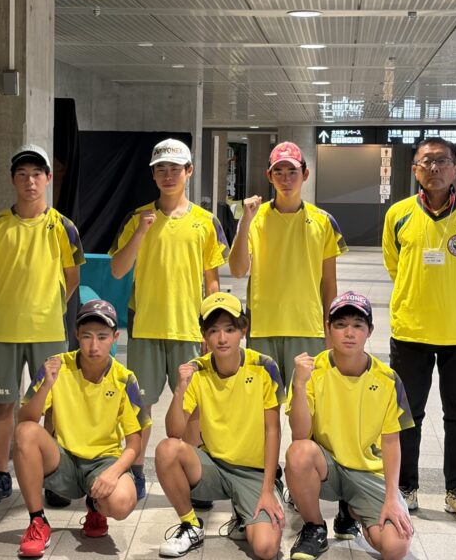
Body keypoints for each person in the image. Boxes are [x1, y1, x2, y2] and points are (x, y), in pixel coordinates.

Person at [227, 141, 355, 537]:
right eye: (278, 171)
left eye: (292, 171)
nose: (285, 178)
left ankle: (311, 485)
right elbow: (238, 269)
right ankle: (262, 485)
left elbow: (329, 282)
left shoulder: (323, 221)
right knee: (260, 415)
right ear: (269, 176)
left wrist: (332, 331)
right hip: (264, 329)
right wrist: (245, 221)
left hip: (308, 330)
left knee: (308, 416)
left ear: (305, 174)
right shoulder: (256, 218)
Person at [382, 137, 456, 524]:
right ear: (415, 169)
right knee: (407, 415)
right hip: (410, 331)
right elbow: (394, 264)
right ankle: (405, 487)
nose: (434, 168)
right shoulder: (398, 214)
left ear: (455, 168)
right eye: (426, 162)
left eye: (442, 161)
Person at [0, 143, 84, 507]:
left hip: (49, 333)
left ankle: (53, 477)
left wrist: (48, 308)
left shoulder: (63, 227)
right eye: (22, 175)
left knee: (51, 407)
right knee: (3, 406)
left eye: (36, 174)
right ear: (13, 180)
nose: (30, 181)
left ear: (48, 179)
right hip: (3, 331)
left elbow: (72, 277)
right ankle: (0, 475)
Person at [109, 139, 228, 500]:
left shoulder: (205, 222)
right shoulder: (137, 218)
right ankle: (135, 472)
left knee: (192, 410)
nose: (168, 175)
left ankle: (194, 477)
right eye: (161, 168)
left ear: (189, 172)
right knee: (140, 407)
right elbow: (117, 269)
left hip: (188, 329)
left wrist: (210, 328)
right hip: (145, 328)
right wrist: (141, 232)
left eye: (175, 168)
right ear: (153, 174)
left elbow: (212, 281)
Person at [13, 300, 149, 558]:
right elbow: (25, 418)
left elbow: (134, 443)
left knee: (121, 502)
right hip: (62, 458)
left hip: (102, 462)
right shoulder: (55, 366)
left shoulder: (125, 378)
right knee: (25, 432)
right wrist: (46, 385)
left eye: (102, 337)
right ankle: (37, 522)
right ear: (76, 334)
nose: (93, 345)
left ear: (115, 338)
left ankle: (96, 508)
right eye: (87, 336)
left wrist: (113, 474)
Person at [285, 291, 414, 560]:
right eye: (341, 324)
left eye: (358, 325)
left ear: (370, 331)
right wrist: (299, 385)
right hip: (328, 467)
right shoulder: (312, 371)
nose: (349, 333)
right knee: (299, 452)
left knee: (396, 547)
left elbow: (392, 442)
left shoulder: (388, 379)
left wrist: (392, 497)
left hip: (369, 472)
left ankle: (351, 510)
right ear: (328, 328)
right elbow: (299, 434)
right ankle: (315, 527)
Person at [154, 292, 284, 559]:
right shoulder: (196, 370)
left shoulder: (265, 367)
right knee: (167, 449)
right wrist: (180, 389)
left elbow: (273, 431)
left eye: (229, 329)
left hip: (253, 473)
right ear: (204, 335)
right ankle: (191, 525)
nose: (222, 338)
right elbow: (174, 432)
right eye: (213, 331)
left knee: (266, 548)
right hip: (213, 465)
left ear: (243, 331)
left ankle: (247, 511)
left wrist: (267, 489)